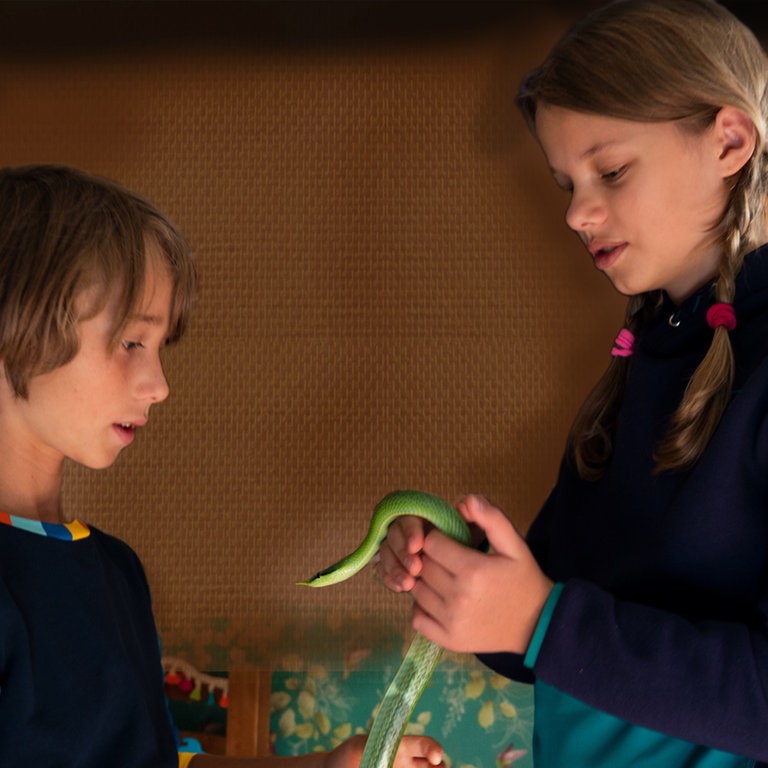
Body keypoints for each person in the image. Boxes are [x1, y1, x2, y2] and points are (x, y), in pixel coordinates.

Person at [376, 1, 768, 766]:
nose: (579, 213)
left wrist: (541, 621)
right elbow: (554, 643)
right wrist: (464, 576)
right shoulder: (644, 361)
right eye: (565, 184)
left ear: (729, 140)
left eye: (611, 170)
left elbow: (561, 629)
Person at [0, 164, 445, 768]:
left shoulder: (117, 572)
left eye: (161, 349)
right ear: (16, 327)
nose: (158, 385)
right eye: (133, 342)